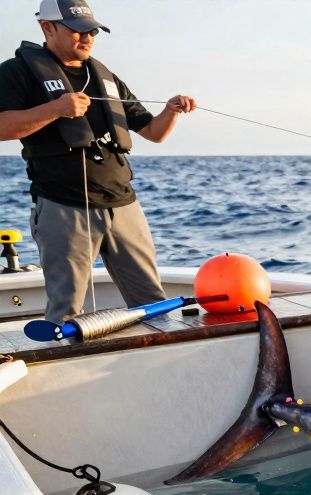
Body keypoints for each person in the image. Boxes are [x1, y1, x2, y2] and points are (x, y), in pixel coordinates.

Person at [0, 0, 196, 323]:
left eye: (92, 31)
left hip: (123, 204)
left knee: (154, 303)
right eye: (77, 31)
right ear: (47, 28)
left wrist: (171, 111)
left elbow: (153, 132)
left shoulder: (105, 77)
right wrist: (56, 109)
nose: (87, 37)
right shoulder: (16, 72)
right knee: (66, 313)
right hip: (63, 206)